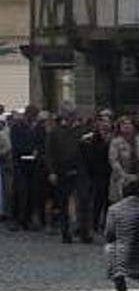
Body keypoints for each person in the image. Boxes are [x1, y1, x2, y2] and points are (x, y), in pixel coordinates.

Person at [45, 103, 90, 243]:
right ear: (63, 115)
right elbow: (49, 154)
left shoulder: (84, 130)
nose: (71, 116)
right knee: (63, 203)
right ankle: (66, 233)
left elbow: (90, 151)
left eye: (73, 114)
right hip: (62, 171)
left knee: (83, 200)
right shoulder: (55, 131)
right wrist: (52, 172)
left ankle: (84, 232)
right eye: (68, 114)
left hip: (81, 170)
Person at [82, 114, 113, 233]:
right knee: (98, 199)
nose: (105, 124)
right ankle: (95, 223)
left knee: (109, 200)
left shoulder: (113, 136)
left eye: (107, 121)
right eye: (103, 121)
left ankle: (107, 223)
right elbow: (92, 154)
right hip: (98, 173)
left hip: (110, 172)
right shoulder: (93, 137)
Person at [108, 115, 139, 204]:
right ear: (119, 127)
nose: (127, 126)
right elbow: (113, 161)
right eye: (123, 124)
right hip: (122, 178)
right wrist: (125, 176)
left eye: (129, 124)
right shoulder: (115, 141)